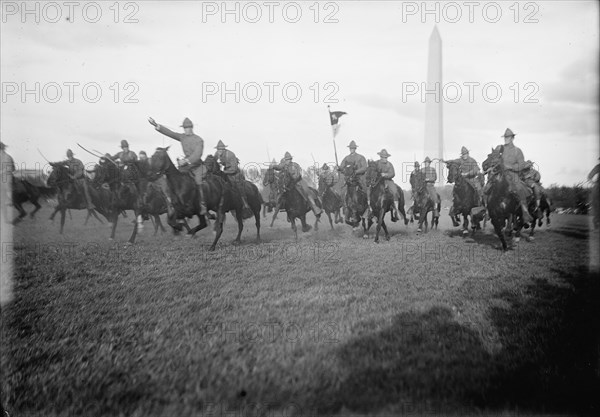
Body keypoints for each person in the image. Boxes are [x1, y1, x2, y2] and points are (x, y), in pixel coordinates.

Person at [148, 116, 207, 215]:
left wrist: (186, 161)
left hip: (197, 166)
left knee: (198, 181)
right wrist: (156, 125)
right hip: (186, 166)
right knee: (175, 179)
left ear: (192, 128)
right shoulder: (182, 137)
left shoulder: (199, 140)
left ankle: (202, 205)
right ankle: (172, 202)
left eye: (188, 128)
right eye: (184, 128)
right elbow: (170, 133)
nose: (186, 130)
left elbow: (198, 154)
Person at [499, 128, 533, 223]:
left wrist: (509, 166)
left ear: (512, 138)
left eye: (508, 137)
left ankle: (525, 212)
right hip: (500, 174)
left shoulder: (517, 151)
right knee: (488, 187)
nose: (506, 138)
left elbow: (521, 165)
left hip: (513, 175)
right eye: (505, 137)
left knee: (519, 188)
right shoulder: (500, 149)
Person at [214, 140, 250, 211]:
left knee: (238, 187)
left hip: (234, 173)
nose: (219, 151)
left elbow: (234, 168)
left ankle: (245, 203)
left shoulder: (230, 154)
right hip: (225, 171)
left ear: (224, 149)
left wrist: (224, 172)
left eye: (221, 149)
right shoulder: (217, 153)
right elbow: (214, 161)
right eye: (218, 149)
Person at [337, 140, 368, 214]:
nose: (351, 149)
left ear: (355, 148)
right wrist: (339, 168)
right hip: (348, 180)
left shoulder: (361, 157)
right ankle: (344, 206)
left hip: (359, 178)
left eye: (353, 148)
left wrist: (356, 171)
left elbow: (364, 167)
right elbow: (342, 167)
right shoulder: (346, 158)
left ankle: (368, 208)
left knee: (366, 191)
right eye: (350, 148)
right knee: (342, 191)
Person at [375, 149, 401, 222]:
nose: (384, 158)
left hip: (388, 181)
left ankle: (396, 210)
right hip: (378, 181)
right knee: (369, 190)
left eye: (385, 157)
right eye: (383, 157)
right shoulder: (376, 163)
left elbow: (393, 174)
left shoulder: (389, 164)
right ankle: (369, 210)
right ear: (380, 157)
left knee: (395, 192)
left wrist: (385, 175)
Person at [1, 141, 15, 222]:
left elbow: (11, 168)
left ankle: (10, 199)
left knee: (7, 184)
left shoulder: (8, 157)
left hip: (6, 177)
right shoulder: (7, 157)